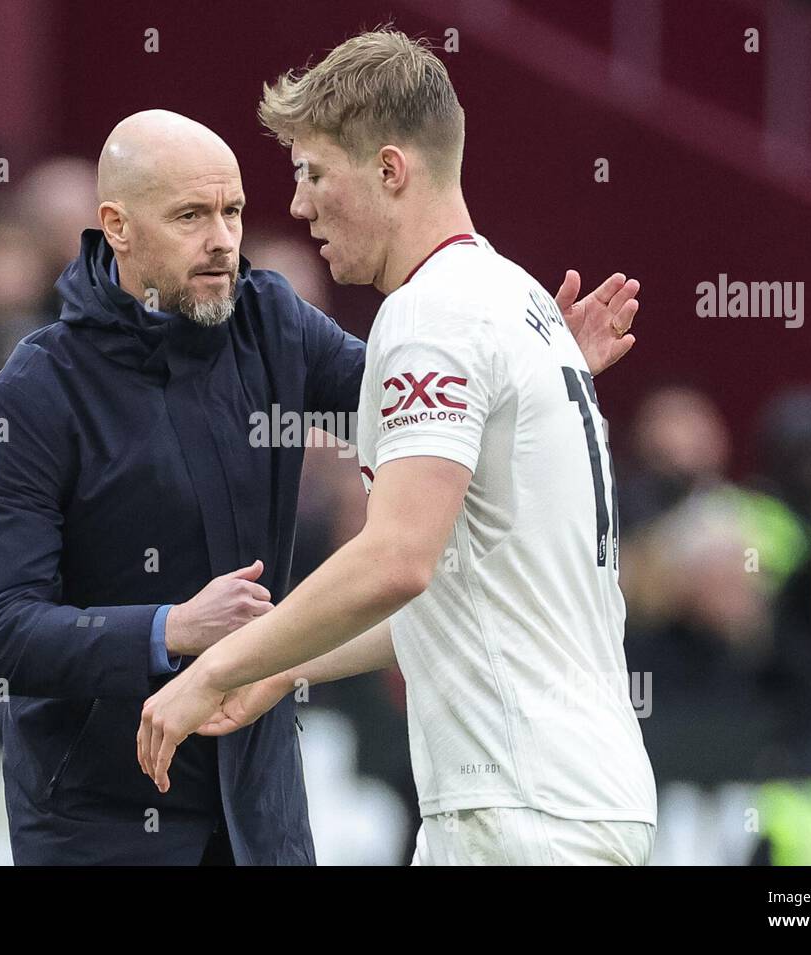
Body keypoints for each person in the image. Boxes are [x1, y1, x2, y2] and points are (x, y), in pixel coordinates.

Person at [0, 108, 635, 865]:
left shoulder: (270, 321)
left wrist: (528, 377)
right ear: (116, 226)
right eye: (191, 215)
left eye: (233, 210)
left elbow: (423, 410)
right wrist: (167, 627)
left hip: (262, 816)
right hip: (102, 823)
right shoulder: (38, 390)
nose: (222, 238)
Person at [135, 31, 655, 866]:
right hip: (573, 796)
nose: (299, 207)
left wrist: (213, 666)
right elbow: (444, 589)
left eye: (313, 174)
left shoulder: (431, 313)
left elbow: (397, 561)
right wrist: (275, 668)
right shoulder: (517, 301)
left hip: (516, 807)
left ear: (389, 170)